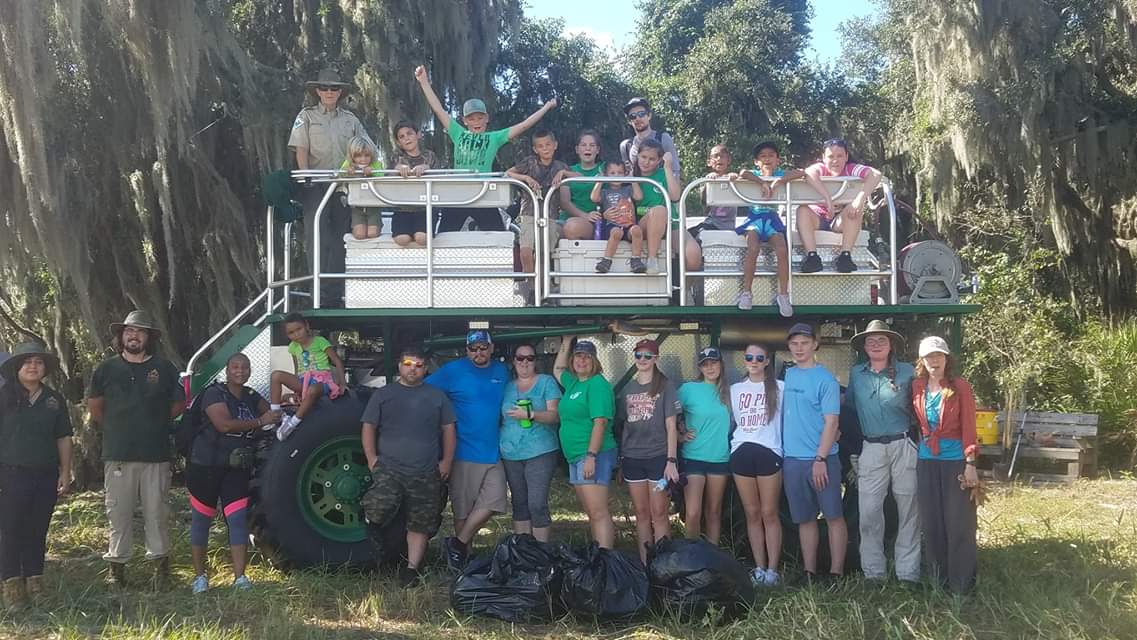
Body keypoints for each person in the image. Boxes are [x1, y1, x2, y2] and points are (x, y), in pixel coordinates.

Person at [87, 310, 185, 588]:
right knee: (118, 513)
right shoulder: (106, 368)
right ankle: (116, 570)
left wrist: (154, 423)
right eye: (129, 331)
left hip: (155, 454)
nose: (134, 335)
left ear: (148, 338)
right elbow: (95, 406)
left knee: (157, 513)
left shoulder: (164, 368)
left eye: (140, 331)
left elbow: (179, 403)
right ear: (122, 336)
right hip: (118, 454)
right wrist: (119, 428)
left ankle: (160, 570)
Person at [415, 65, 557, 233]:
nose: (476, 122)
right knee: (444, 235)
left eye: (480, 117)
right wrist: (423, 81)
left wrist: (546, 107)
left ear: (486, 118)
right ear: (464, 120)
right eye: (471, 118)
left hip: (482, 194)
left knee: (497, 234)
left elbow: (524, 125)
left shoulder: (494, 137)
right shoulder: (457, 133)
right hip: (458, 195)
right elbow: (438, 109)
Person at [360, 347, 456, 587]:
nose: (413, 368)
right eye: (408, 363)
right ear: (400, 366)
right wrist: (372, 458)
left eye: (419, 365)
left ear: (425, 369)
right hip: (390, 467)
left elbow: (449, 430)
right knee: (377, 508)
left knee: (420, 522)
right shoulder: (383, 395)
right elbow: (369, 426)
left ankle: (412, 569)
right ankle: (375, 547)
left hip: (424, 471)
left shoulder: (437, 396)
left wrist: (446, 461)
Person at [187, 354, 280, 594]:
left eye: (245, 367)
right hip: (205, 466)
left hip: (236, 468)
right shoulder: (215, 394)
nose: (240, 371)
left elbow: (271, 412)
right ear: (227, 370)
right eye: (235, 367)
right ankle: (200, 577)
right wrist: (260, 421)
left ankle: (240, 578)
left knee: (237, 521)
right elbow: (224, 424)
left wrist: (286, 404)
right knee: (202, 521)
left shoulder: (250, 396)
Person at [425, 330, 509, 571]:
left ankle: (457, 544)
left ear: (492, 348)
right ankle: (463, 564)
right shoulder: (453, 371)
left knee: (495, 501)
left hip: (493, 451)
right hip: (463, 452)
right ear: (466, 350)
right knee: (463, 510)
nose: (478, 353)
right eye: (473, 349)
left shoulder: (501, 372)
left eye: (483, 347)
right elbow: (427, 391)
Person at [287, 69, 372, 307]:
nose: (329, 92)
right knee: (316, 239)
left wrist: (363, 167)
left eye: (334, 88)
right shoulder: (306, 116)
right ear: (317, 91)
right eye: (324, 88)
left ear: (340, 93)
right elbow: (300, 147)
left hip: (344, 186)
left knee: (340, 240)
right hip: (316, 184)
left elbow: (366, 147)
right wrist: (305, 177)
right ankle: (317, 294)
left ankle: (334, 295)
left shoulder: (350, 120)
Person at [845, 320, 920, 583]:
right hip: (871, 447)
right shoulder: (856, 374)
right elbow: (852, 409)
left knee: (909, 508)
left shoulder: (908, 372)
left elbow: (919, 409)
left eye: (881, 340)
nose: (876, 345)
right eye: (870, 341)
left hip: (903, 444)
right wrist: (855, 450)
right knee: (868, 512)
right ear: (863, 347)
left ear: (892, 345)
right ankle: (874, 572)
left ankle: (908, 572)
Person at [0, 343, 72, 611]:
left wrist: (65, 472)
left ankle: (35, 583)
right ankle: (12, 587)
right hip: (10, 474)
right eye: (27, 361)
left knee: (37, 529)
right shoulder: (4, 396)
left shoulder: (54, 399)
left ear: (44, 368)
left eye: (38, 362)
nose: (33, 366)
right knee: (10, 530)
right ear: (17, 367)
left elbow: (63, 437)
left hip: (45, 474)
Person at [912, 336, 979, 593]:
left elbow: (969, 427)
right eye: (929, 356)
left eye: (939, 355)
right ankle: (939, 581)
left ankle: (961, 584)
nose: (934, 360)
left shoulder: (960, 386)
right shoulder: (917, 386)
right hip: (926, 461)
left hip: (955, 462)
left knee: (958, 522)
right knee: (932, 523)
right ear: (922, 360)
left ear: (947, 358)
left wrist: (970, 462)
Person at [781, 322, 847, 580]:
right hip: (792, 460)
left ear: (815, 345)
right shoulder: (787, 376)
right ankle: (809, 571)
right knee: (804, 519)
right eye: (794, 344)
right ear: (788, 347)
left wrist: (820, 458)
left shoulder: (826, 379)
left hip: (822, 460)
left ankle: (836, 572)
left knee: (833, 515)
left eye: (804, 343)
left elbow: (832, 422)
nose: (799, 348)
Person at [617, 338, 681, 564]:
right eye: (638, 355)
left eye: (647, 356)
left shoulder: (665, 386)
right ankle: (646, 566)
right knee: (642, 514)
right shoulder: (628, 389)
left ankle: (663, 566)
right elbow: (624, 425)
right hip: (633, 457)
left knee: (660, 513)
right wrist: (621, 458)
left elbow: (671, 426)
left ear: (656, 359)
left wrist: (671, 460)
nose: (642, 360)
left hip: (658, 457)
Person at [553, 336, 617, 549]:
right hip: (576, 455)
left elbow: (600, 423)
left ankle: (606, 562)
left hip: (592, 455)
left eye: (586, 357)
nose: (581, 361)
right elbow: (558, 370)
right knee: (591, 512)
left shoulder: (597, 384)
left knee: (598, 512)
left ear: (595, 361)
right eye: (578, 357)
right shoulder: (573, 384)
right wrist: (567, 342)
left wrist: (591, 456)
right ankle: (598, 556)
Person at [729, 343, 785, 586]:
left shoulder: (780, 388)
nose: (753, 361)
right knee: (751, 513)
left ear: (767, 361)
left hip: (769, 451)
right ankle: (759, 567)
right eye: (749, 356)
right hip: (741, 451)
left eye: (759, 357)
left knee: (769, 512)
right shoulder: (734, 389)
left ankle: (773, 570)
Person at [729, 142, 802, 315]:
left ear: (778, 159)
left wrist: (780, 180)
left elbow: (801, 172)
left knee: (783, 249)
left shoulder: (779, 174)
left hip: (772, 220)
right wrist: (762, 182)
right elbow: (742, 173)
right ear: (756, 161)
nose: (767, 159)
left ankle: (783, 294)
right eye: (763, 156)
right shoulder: (753, 174)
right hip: (755, 219)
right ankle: (746, 292)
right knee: (753, 248)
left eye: (771, 155)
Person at [499, 344, 562, 542]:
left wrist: (531, 414)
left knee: (537, 503)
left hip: (540, 450)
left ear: (536, 361)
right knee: (519, 503)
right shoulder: (507, 386)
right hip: (510, 452)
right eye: (520, 358)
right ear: (513, 361)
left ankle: (541, 554)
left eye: (530, 358)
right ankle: (523, 554)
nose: (525, 362)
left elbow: (556, 415)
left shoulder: (546, 382)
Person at [796, 138, 883, 273]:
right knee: (802, 210)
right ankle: (812, 257)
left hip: (840, 221)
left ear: (846, 156)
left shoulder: (851, 169)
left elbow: (875, 174)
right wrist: (828, 199)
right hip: (817, 218)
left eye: (840, 156)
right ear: (823, 158)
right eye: (831, 156)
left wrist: (859, 199)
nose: (835, 160)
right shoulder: (821, 168)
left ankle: (845, 256)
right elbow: (809, 173)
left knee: (855, 209)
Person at [677, 347, 731, 545]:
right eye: (705, 364)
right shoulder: (688, 389)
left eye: (713, 363)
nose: (710, 368)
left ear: (721, 364)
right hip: (694, 457)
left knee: (714, 512)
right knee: (692, 512)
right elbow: (667, 413)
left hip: (720, 458)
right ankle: (691, 557)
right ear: (699, 367)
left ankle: (712, 558)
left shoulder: (729, 391)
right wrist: (678, 434)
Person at [504, 129, 574, 275]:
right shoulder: (529, 162)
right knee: (526, 252)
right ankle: (531, 287)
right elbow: (509, 172)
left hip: (550, 215)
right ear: (535, 149)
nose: (545, 148)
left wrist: (564, 174)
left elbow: (579, 176)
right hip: (529, 213)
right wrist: (526, 178)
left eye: (548, 144)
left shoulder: (560, 166)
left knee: (543, 255)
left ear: (555, 145)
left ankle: (542, 291)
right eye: (541, 146)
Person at [269, 312, 347, 440]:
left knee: (312, 390)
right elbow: (297, 369)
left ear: (306, 326)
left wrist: (343, 383)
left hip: (322, 381)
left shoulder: (320, 341)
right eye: (291, 333)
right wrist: (296, 391)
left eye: (299, 329)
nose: (296, 334)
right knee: (276, 375)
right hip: (302, 380)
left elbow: (337, 361)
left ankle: (293, 423)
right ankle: (276, 414)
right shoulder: (293, 347)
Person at [634, 138, 700, 274]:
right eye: (643, 157)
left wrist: (668, 167)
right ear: (637, 156)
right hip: (645, 224)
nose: (646, 162)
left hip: (670, 225)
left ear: (659, 161)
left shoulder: (664, 173)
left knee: (694, 256)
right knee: (659, 211)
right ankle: (652, 259)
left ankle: (686, 291)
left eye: (652, 159)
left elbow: (675, 196)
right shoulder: (631, 176)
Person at [391, 120, 442, 247]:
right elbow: (387, 177)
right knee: (402, 239)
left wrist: (427, 168)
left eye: (409, 134)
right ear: (398, 142)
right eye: (402, 136)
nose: (407, 138)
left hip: (425, 207)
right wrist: (398, 169)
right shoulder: (396, 157)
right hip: (403, 207)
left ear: (418, 135)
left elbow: (440, 178)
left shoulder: (430, 156)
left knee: (421, 238)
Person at [591, 159, 645, 274]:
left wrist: (632, 179)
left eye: (620, 173)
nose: (616, 176)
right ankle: (606, 260)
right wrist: (600, 180)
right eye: (612, 173)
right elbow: (594, 198)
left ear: (625, 174)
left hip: (628, 224)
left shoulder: (628, 189)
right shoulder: (605, 192)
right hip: (612, 224)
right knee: (616, 232)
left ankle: (636, 260)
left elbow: (639, 197)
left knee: (637, 230)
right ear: (606, 175)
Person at [558, 130, 605, 241]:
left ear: (597, 150)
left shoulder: (605, 168)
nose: (587, 148)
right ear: (577, 149)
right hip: (566, 220)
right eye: (583, 145)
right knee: (545, 233)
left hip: (593, 222)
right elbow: (564, 202)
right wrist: (584, 215)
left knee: (572, 227)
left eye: (592, 145)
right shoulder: (568, 170)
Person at [620, 97, 681, 175]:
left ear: (649, 116)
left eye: (641, 114)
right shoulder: (626, 146)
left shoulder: (663, 139)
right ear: (629, 121)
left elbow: (675, 171)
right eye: (633, 116)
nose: (637, 118)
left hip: (661, 186)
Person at [340, 136, 385, 240]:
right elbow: (340, 175)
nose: (363, 159)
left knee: (372, 234)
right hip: (357, 206)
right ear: (352, 156)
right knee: (359, 235)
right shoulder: (348, 164)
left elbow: (382, 178)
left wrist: (372, 172)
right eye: (358, 156)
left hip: (373, 205)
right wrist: (348, 172)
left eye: (366, 155)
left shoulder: (376, 164)